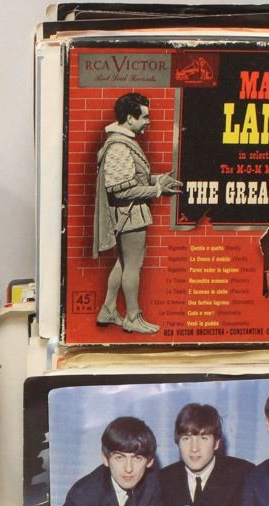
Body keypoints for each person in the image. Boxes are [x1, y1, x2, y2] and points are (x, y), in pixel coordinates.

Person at [93, 92, 182, 334]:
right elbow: (120, 190)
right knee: (133, 266)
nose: (148, 121)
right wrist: (157, 190)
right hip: (129, 214)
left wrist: (158, 180)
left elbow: (132, 179)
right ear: (130, 119)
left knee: (123, 263)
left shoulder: (123, 142)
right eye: (144, 117)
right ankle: (133, 317)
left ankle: (108, 309)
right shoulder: (119, 147)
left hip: (130, 213)